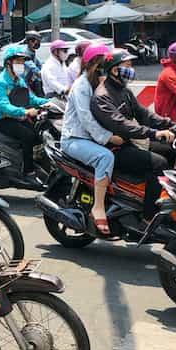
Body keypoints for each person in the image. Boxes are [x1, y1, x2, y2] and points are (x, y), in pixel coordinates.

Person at [93, 49, 176, 221]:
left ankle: (159, 195)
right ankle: (150, 215)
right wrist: (154, 133)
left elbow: (144, 114)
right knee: (159, 163)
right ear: (114, 70)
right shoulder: (103, 97)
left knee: (172, 148)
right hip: (116, 147)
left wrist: (171, 125)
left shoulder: (124, 90)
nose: (131, 69)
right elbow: (123, 126)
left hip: (131, 141)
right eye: (127, 66)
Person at [61, 43, 121, 234]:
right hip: (74, 139)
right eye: (103, 64)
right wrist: (108, 137)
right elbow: (86, 118)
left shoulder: (99, 84)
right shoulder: (81, 85)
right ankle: (98, 207)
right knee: (106, 157)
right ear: (93, 64)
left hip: (90, 138)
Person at [0, 45, 49, 179]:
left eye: (22, 62)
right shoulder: (0, 82)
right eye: (18, 61)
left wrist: (48, 103)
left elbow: (31, 98)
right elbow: (5, 107)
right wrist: (26, 112)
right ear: (8, 63)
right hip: (4, 120)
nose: (21, 64)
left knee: (39, 133)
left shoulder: (19, 80)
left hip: (19, 117)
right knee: (27, 135)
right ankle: (28, 171)